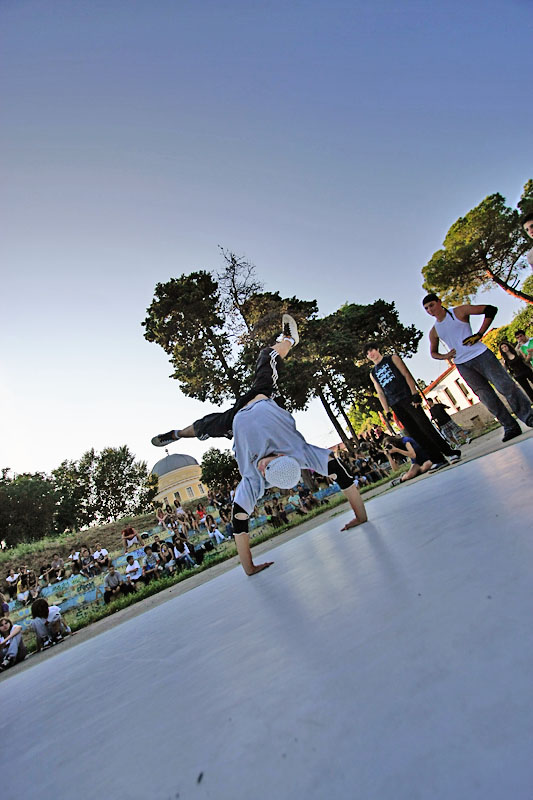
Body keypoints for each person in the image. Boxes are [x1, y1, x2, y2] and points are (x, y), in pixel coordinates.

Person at [152, 315, 367, 575]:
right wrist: (361, 515)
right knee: (267, 355)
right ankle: (289, 339)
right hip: (261, 395)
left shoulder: (254, 480)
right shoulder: (301, 453)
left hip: (234, 421)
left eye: (263, 470)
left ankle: (176, 433)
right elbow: (340, 474)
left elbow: (239, 519)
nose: (261, 466)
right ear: (281, 456)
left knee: (202, 426)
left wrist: (249, 566)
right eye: (268, 463)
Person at [423, 294, 533, 442]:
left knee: (506, 386)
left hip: (481, 355)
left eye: (431, 305)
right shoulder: (434, 331)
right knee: (486, 397)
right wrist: (446, 356)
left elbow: (490, 310)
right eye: (426, 308)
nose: (429, 309)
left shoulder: (459, 312)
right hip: (463, 364)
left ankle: (528, 416)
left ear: (439, 302)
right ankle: (510, 426)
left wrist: (479, 334)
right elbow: (433, 353)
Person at [366, 341, 460, 469]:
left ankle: (450, 453)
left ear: (377, 349)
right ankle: (437, 459)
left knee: (426, 427)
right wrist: (387, 410)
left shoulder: (392, 358)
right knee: (415, 433)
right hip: (396, 404)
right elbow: (380, 392)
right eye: (367, 353)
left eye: (371, 350)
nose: (370, 354)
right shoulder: (373, 373)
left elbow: (406, 374)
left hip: (407, 397)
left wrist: (415, 393)